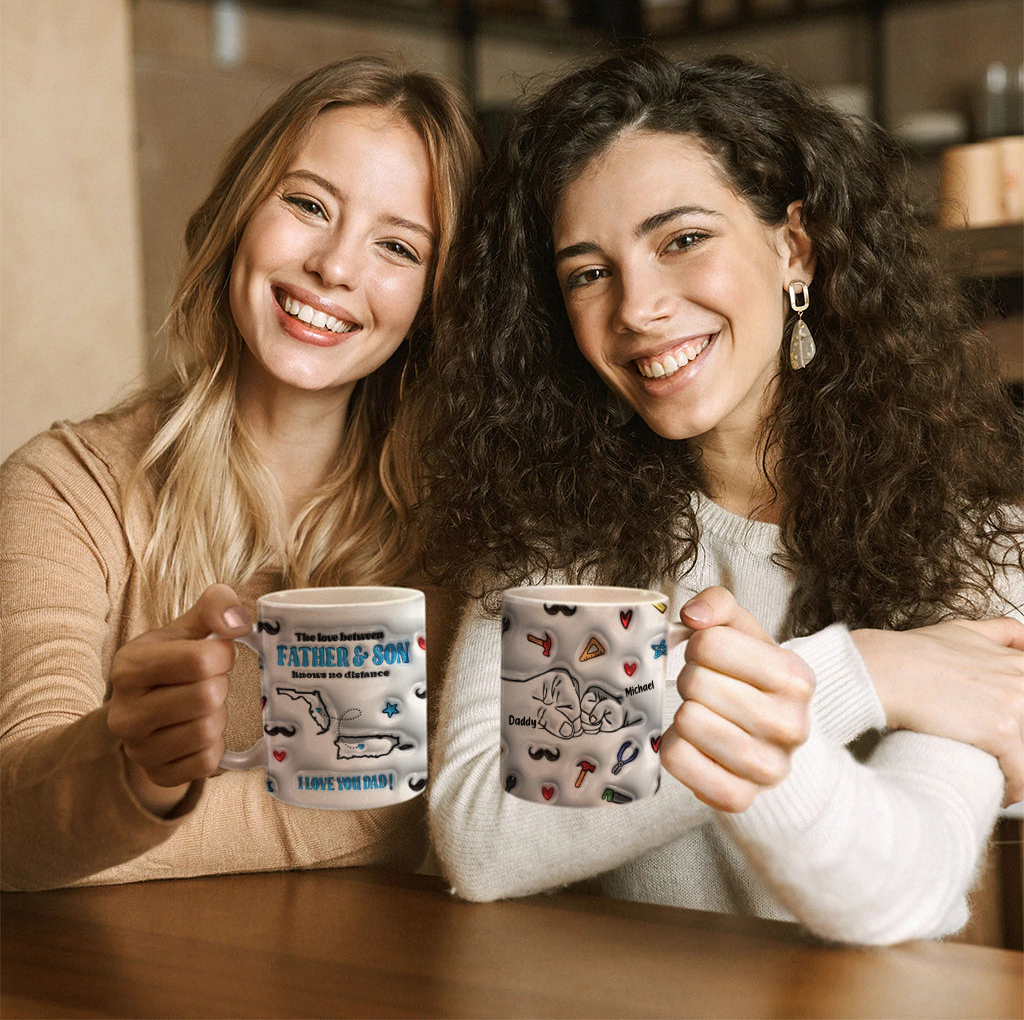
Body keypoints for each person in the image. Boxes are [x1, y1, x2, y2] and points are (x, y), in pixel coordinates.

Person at [416, 49, 1024, 945]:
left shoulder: (974, 540)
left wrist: (767, 691)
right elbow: (485, 840)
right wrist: (859, 672)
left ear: (794, 248)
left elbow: (900, 887)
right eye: (588, 272)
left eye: (682, 240)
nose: (637, 307)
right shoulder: (562, 534)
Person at [0, 55, 482, 891]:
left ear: (434, 300)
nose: (335, 266)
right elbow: (16, 820)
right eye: (307, 204)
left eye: (397, 246)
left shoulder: (459, 528)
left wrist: (124, 827)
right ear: (238, 216)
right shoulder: (65, 487)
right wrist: (138, 772)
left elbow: (424, 802)